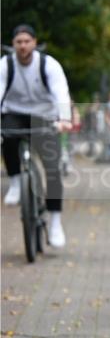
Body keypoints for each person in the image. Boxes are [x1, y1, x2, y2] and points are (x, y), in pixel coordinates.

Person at [1, 24, 73, 247]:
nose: (22, 46)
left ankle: (55, 223)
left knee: (52, 170)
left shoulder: (48, 64)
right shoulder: (5, 65)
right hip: (14, 112)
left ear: (34, 42)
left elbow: (61, 91)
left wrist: (64, 119)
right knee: (7, 137)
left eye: (26, 41)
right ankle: (15, 182)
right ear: (13, 45)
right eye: (18, 42)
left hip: (44, 116)